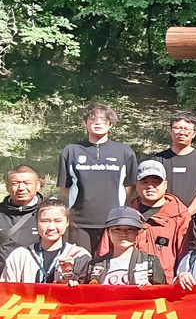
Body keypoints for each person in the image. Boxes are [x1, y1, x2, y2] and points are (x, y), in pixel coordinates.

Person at [107, 159, 193, 319]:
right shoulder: (125, 213)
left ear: (165, 184)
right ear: (137, 185)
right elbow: (107, 249)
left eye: (156, 181)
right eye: (145, 181)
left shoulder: (179, 215)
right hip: (126, 291)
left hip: (163, 289)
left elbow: (184, 252)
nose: (150, 186)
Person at [58, 102, 138, 249]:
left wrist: (119, 207)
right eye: (93, 119)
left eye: (103, 119)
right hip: (79, 223)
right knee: (79, 261)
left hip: (113, 221)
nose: (98, 122)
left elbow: (130, 185)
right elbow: (65, 187)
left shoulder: (124, 152)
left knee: (108, 262)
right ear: (85, 123)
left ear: (110, 124)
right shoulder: (71, 151)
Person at [0, 165, 47, 277]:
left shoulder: (48, 211)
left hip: (37, 278)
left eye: (27, 183)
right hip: (0, 278)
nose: (21, 188)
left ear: (38, 185)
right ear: (7, 186)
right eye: (15, 183)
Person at [151, 111, 196, 216]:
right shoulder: (159, 159)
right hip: (163, 215)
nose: (181, 132)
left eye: (186, 129)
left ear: (194, 133)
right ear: (170, 131)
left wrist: (186, 215)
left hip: (193, 216)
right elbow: (152, 188)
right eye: (177, 128)